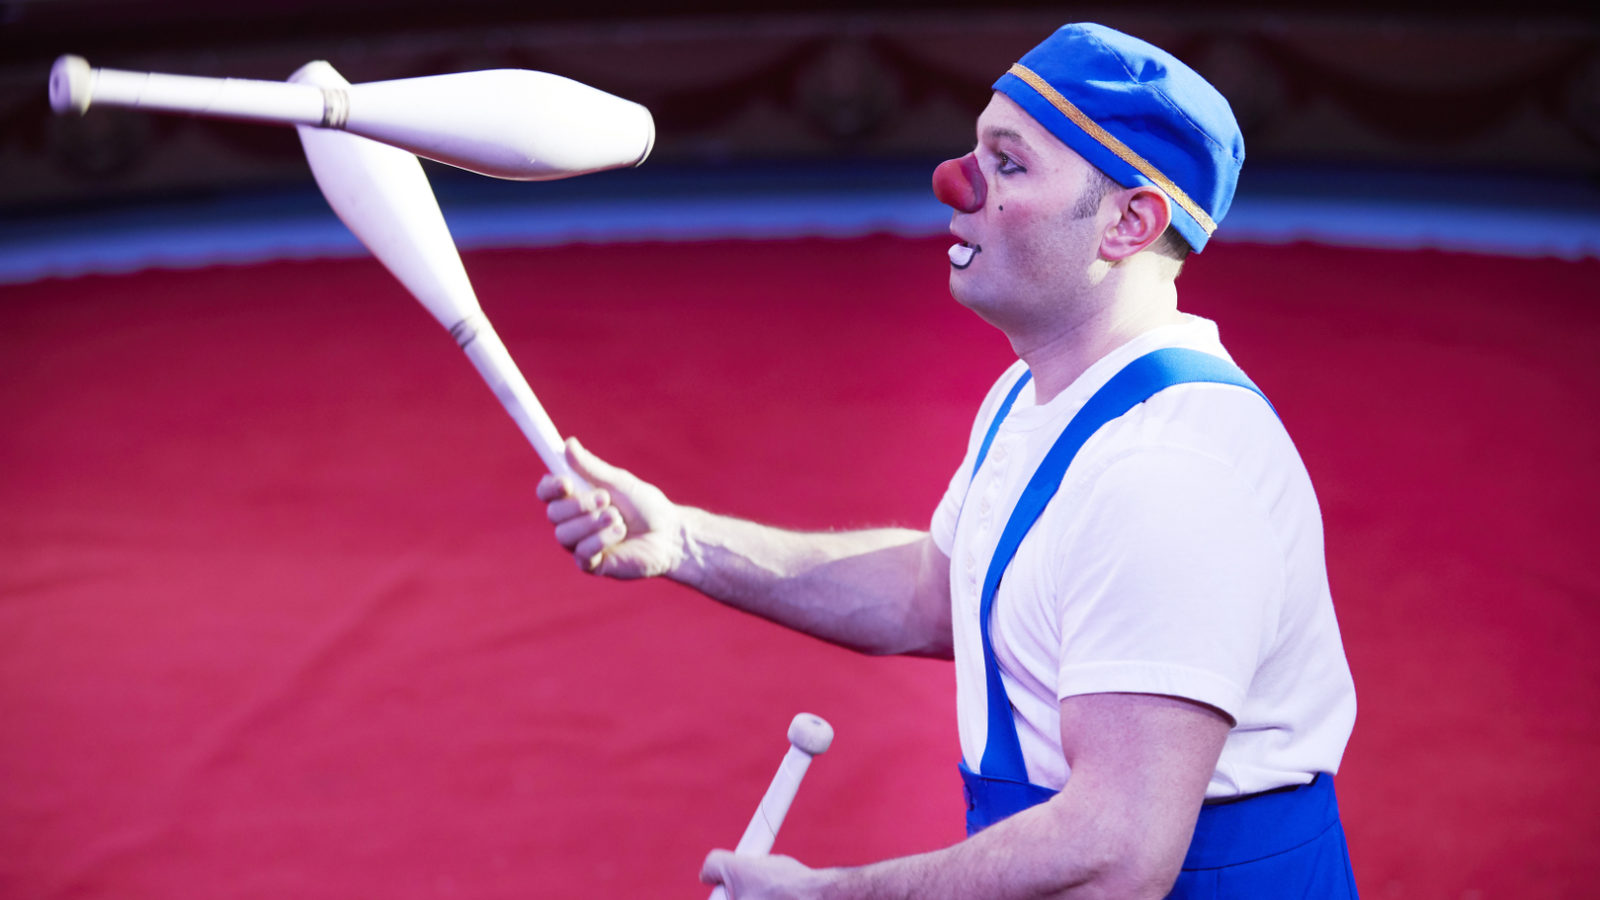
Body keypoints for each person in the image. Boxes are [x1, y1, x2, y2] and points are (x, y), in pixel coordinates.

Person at [538, 22, 1358, 900]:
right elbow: (937, 593)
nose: (953, 184)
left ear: (1130, 221)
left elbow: (1117, 854)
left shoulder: (1170, 473)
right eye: (976, 151)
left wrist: (832, 896)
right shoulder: (1032, 394)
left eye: (1008, 165)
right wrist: (686, 541)